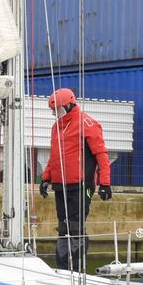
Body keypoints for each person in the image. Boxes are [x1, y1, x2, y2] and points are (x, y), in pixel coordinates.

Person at [38, 88, 111, 272]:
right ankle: (63, 268)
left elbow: (101, 154)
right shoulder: (56, 128)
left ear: (70, 105)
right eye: (54, 112)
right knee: (63, 228)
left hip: (80, 185)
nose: (56, 115)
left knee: (76, 227)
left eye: (59, 110)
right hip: (60, 186)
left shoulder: (87, 124)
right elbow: (55, 156)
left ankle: (78, 269)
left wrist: (105, 183)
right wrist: (46, 178)